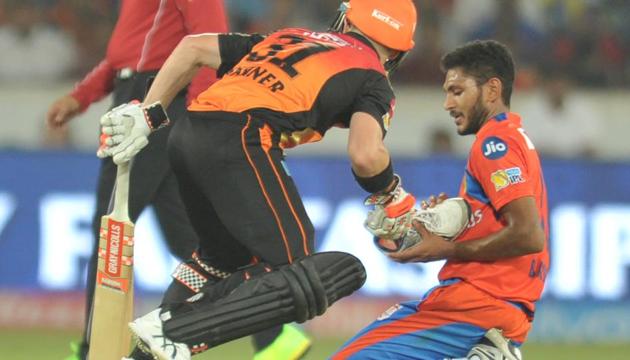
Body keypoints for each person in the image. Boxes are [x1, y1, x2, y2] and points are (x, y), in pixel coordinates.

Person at [97, 1, 419, 359]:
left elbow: (193, 48)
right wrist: (390, 193)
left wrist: (149, 112)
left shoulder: (290, 36)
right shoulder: (374, 79)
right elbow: (365, 155)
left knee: (219, 259)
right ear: (398, 51)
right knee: (295, 269)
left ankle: (148, 350)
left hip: (187, 133)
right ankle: (177, 328)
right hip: (243, 138)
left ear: (347, 19)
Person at [46, 1, 309, 360]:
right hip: (145, 97)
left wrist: (201, 115)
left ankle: (97, 351)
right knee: (193, 243)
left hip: (156, 104)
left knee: (109, 230)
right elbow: (123, 57)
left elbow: (208, 46)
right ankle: (274, 335)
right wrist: (82, 96)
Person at [332, 40, 549, 359]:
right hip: (503, 313)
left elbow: (529, 235)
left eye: (457, 91)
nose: (447, 103)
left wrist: (447, 248)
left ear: (492, 90)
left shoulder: (494, 144)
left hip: (470, 306)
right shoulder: (514, 137)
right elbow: (507, 223)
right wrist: (454, 226)